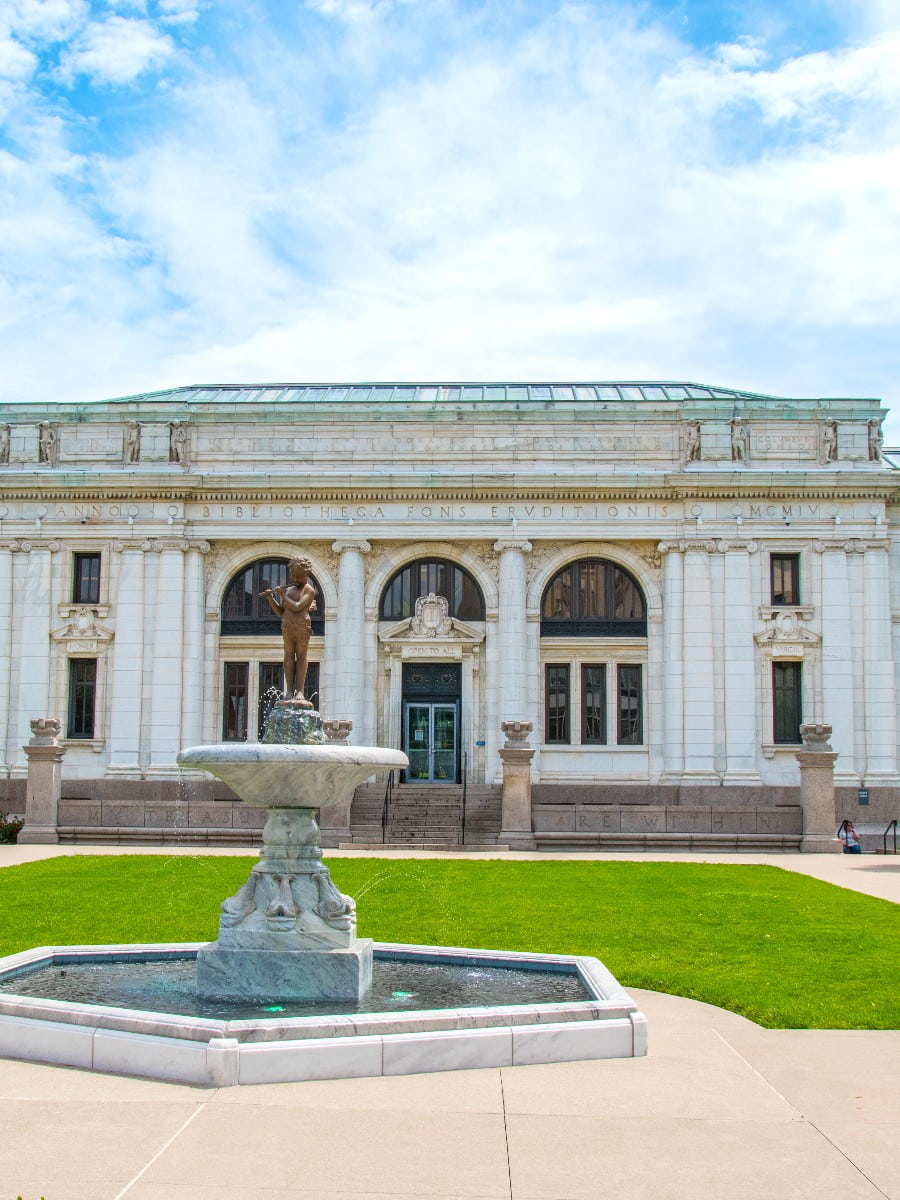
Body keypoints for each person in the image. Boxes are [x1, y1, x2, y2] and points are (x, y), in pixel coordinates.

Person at [261, 556, 317, 705]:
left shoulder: (308, 590)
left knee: (301, 655)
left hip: (302, 625)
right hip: (287, 625)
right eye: (293, 575)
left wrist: (282, 594)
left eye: (297, 576)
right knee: (288, 655)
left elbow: (297, 606)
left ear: (305, 574)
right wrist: (271, 598)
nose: (294, 578)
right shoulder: (290, 589)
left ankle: (300, 690)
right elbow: (281, 611)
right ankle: (289, 691)